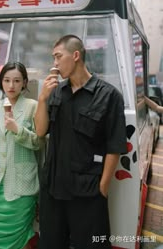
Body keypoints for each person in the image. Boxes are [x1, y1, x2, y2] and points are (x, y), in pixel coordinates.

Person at [34, 34, 127, 249]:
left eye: (58, 57)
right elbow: (40, 131)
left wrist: (103, 187)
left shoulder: (109, 95)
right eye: (53, 58)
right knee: (50, 244)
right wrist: (42, 98)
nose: (54, 64)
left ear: (75, 55)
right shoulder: (56, 91)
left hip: (87, 192)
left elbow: (115, 146)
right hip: (54, 189)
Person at [0, 62, 45, 249]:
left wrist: (17, 130)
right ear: (1, 82)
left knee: (22, 237)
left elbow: (39, 142)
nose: (11, 85)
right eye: (7, 80)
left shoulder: (32, 107)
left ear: (24, 83)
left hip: (22, 186)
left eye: (17, 81)